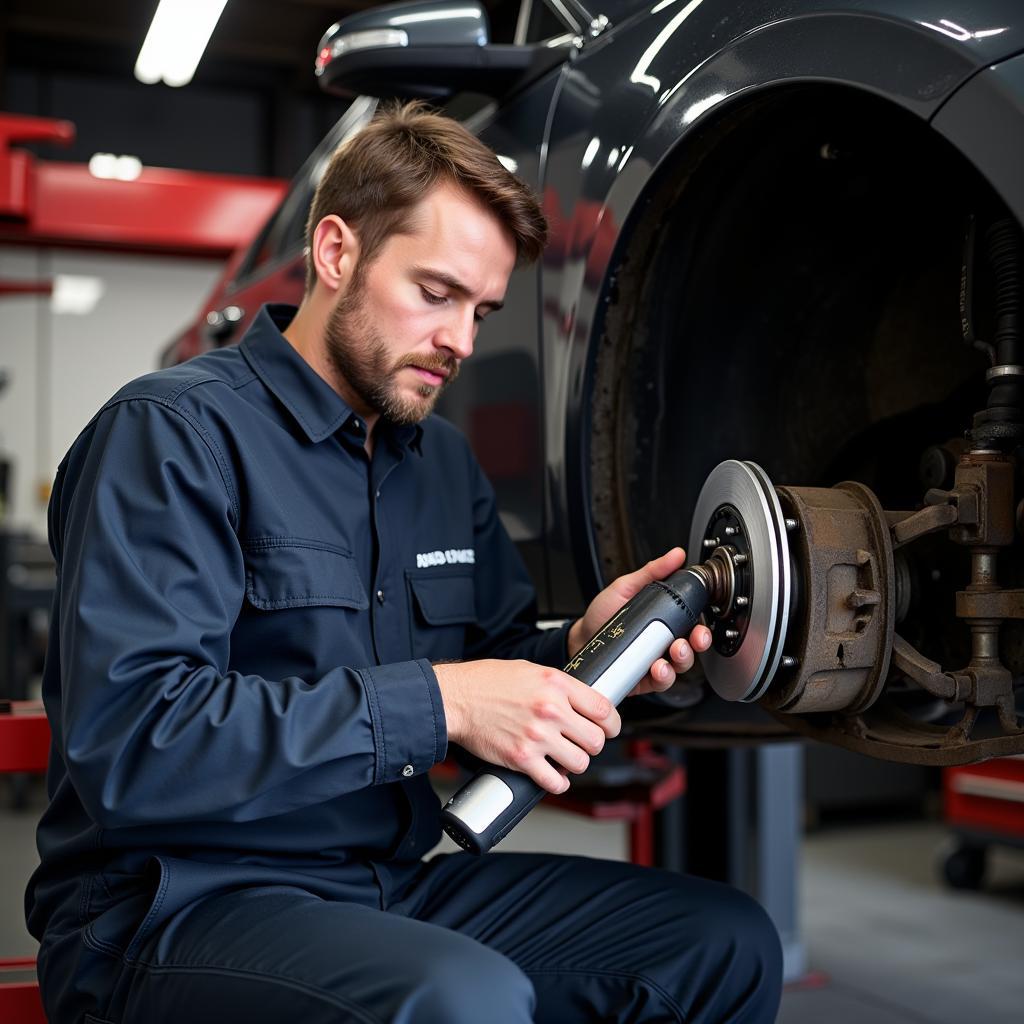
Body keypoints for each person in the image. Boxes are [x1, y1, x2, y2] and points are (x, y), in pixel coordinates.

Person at [26, 102, 782, 1024]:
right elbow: (136, 743)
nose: (463, 340)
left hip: (388, 884)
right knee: (460, 998)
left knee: (720, 942)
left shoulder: (440, 461)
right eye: (437, 293)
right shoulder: (173, 435)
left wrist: (584, 652)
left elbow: (493, 667)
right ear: (336, 253)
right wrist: (448, 701)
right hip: (173, 907)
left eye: (483, 309)